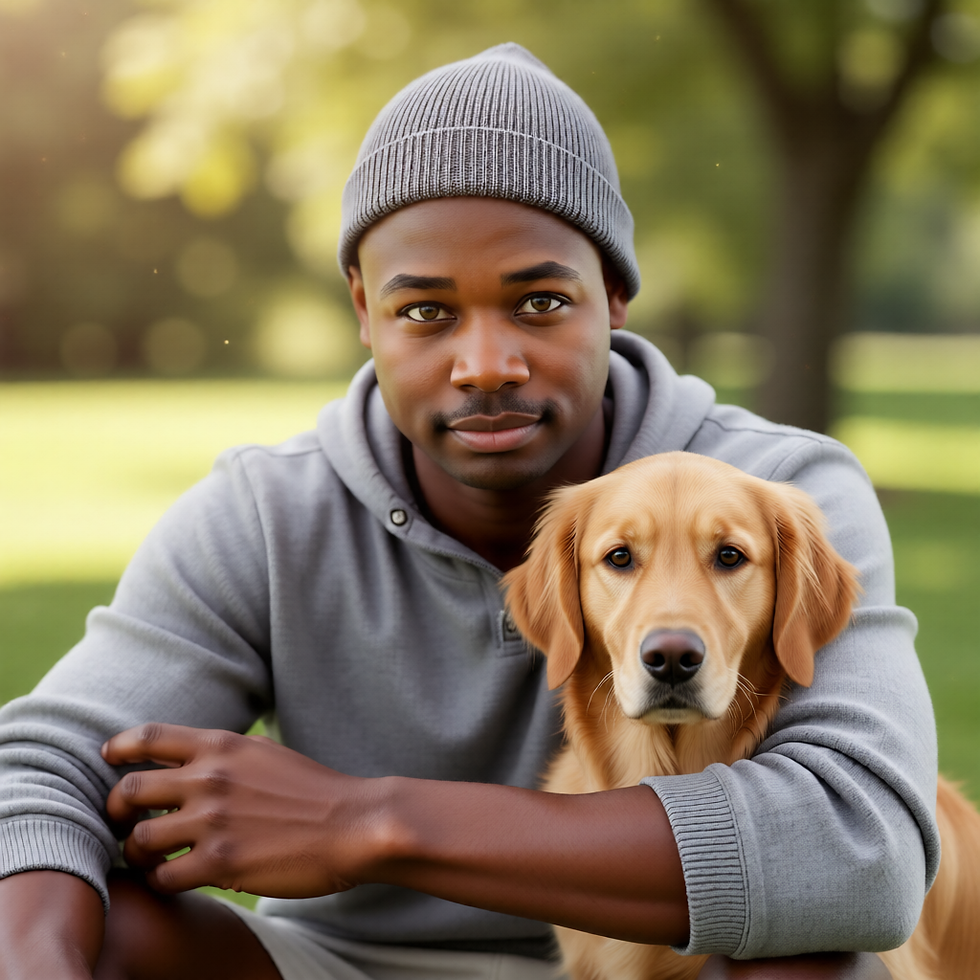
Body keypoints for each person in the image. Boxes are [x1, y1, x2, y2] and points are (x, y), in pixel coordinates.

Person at [0, 43, 936, 980]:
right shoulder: (267, 515)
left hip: (657, 968)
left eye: (539, 302)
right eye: (425, 313)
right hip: (336, 965)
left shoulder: (777, 492)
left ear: (613, 297)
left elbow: (867, 850)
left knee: (810, 954)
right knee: (93, 924)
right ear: (364, 308)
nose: (487, 363)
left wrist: (373, 822)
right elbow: (41, 773)